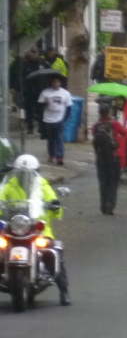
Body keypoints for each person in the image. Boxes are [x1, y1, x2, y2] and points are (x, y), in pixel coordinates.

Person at [0, 155, 70, 305]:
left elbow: (53, 202)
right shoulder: (9, 186)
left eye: (29, 173)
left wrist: (54, 205)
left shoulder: (42, 185)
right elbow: (1, 199)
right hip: (13, 228)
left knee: (52, 252)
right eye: (21, 172)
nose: (25, 176)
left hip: (39, 230)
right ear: (16, 172)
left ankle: (64, 291)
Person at [92, 103, 126, 215]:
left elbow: (94, 138)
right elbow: (124, 133)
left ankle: (102, 206)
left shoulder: (96, 125)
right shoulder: (114, 123)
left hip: (100, 157)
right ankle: (110, 204)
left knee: (103, 182)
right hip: (114, 156)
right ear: (109, 112)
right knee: (113, 182)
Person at [38, 75, 72, 165]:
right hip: (48, 120)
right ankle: (51, 154)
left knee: (59, 138)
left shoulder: (65, 93)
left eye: (57, 82)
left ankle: (60, 157)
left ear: (60, 83)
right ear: (51, 83)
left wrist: (65, 119)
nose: (55, 84)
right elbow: (40, 106)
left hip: (60, 119)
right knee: (50, 139)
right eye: (53, 82)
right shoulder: (45, 92)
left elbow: (69, 107)